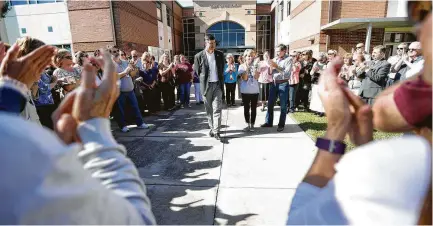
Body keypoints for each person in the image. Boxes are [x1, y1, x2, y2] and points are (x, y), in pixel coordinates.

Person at [287, 2, 432, 224]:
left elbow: (300, 220)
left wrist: (336, 126)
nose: (418, 27)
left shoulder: (409, 164)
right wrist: (366, 147)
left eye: (423, 12)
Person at [0, 42, 156, 224]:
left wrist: (11, 91)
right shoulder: (20, 150)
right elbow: (136, 220)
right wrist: (95, 131)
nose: (5, 47)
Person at [110, 45, 149, 132]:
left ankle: (140, 123)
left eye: (117, 51)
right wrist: (125, 71)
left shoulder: (125, 62)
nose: (116, 53)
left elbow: (132, 74)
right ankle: (123, 126)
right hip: (120, 91)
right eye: (114, 52)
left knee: (136, 107)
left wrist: (134, 69)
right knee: (121, 110)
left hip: (130, 89)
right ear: (110, 54)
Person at [193, 34, 225, 140]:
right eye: (210, 43)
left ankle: (216, 131)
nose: (212, 45)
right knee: (209, 110)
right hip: (206, 86)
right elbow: (198, 72)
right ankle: (212, 128)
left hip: (217, 85)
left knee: (217, 109)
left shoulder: (220, 55)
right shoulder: (198, 56)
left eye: (214, 43)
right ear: (205, 43)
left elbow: (221, 69)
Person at [260, 44, 292, 132]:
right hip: (274, 84)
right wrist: (271, 67)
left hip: (283, 84)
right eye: (276, 51)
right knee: (270, 104)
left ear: (284, 51)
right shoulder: (274, 59)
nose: (277, 53)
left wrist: (276, 66)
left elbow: (286, 73)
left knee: (283, 106)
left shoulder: (289, 59)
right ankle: (268, 122)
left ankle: (281, 125)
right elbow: (270, 73)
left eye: (279, 51)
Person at [238, 49, 260, 132]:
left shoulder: (256, 65)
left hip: (255, 90)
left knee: (254, 108)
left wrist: (255, 67)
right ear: (245, 57)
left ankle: (252, 124)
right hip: (245, 91)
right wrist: (247, 67)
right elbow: (245, 78)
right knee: (246, 108)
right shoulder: (241, 66)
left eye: (251, 55)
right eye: (248, 56)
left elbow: (256, 77)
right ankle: (247, 123)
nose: (249, 57)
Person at [309, 52, 327, 116]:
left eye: (320, 56)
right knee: (315, 97)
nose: (319, 58)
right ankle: (316, 110)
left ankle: (321, 111)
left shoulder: (326, 64)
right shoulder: (315, 63)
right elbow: (311, 73)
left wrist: (319, 71)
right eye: (319, 56)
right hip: (315, 82)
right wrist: (313, 70)